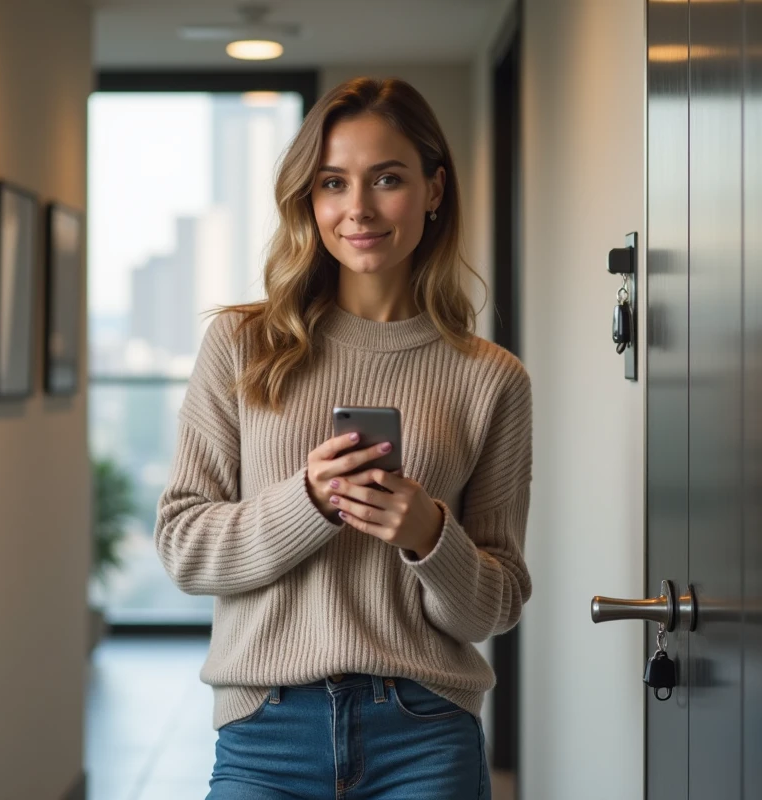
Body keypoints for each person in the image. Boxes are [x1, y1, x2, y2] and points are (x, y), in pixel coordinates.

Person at [155, 76, 532, 800]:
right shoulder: (242, 344)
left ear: (432, 189)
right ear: (310, 199)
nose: (357, 208)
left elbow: (497, 602)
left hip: (425, 734)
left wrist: (430, 536)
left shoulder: (493, 379)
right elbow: (183, 546)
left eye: (387, 178)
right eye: (333, 182)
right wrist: (308, 502)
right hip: (267, 729)